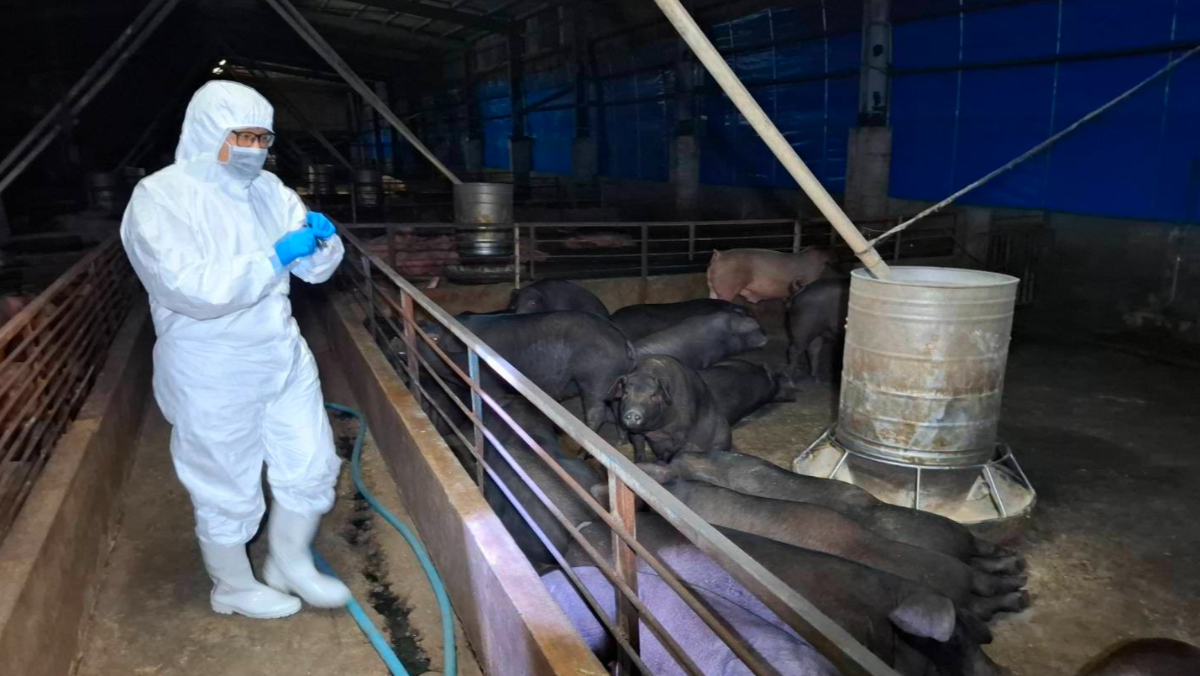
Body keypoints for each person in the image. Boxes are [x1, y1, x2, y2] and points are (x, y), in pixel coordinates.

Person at [120, 81, 350, 619]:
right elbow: (186, 288)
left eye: (263, 138)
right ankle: (233, 586)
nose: (254, 148)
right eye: (242, 136)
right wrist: (272, 258)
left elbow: (314, 271)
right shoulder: (160, 197)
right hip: (210, 363)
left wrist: (323, 243)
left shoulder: (270, 190)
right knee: (225, 479)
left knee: (313, 462)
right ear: (209, 132)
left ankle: (289, 560)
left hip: (280, 351)